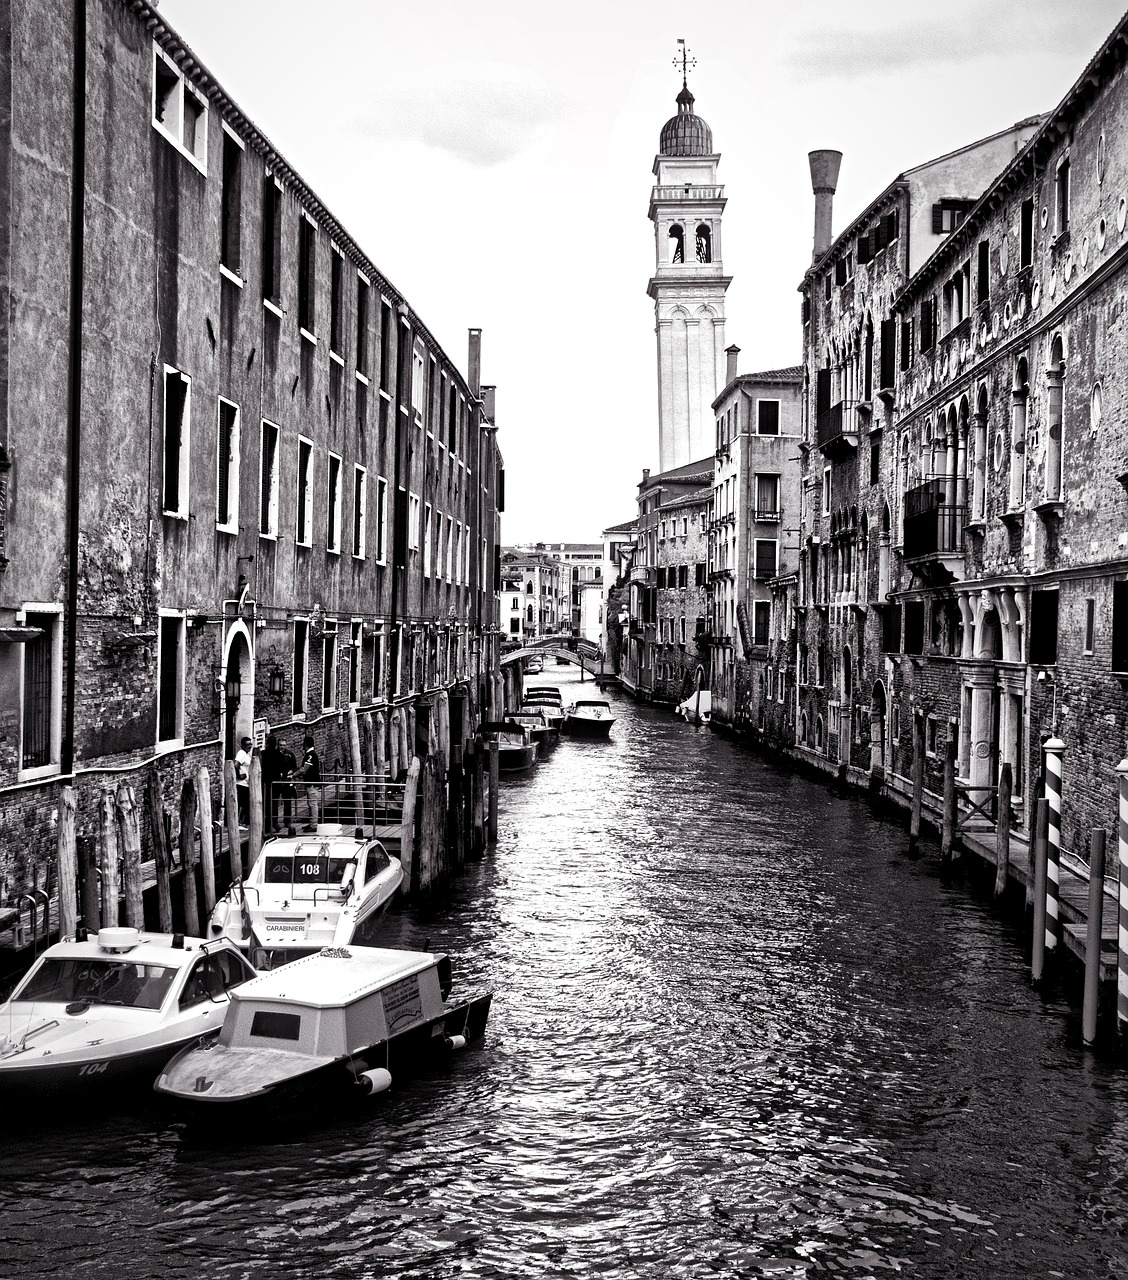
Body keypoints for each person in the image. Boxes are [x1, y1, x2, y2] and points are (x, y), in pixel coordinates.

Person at [261, 734, 292, 833]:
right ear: (276, 744)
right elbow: (285, 769)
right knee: (274, 803)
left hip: (265, 783)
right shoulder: (279, 755)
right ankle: (274, 822)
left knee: (266, 804)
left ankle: (267, 824)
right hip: (276, 783)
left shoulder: (263, 754)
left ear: (267, 743)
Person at [292, 733, 321, 830]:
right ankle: (312, 822)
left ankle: (314, 825)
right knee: (310, 803)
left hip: (312, 783)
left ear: (306, 745)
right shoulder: (311, 755)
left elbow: (304, 769)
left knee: (312, 804)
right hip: (311, 782)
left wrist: (293, 775)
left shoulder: (311, 755)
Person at [234, 736, 253, 825]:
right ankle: (239, 822)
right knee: (243, 804)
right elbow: (236, 764)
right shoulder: (241, 753)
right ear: (242, 745)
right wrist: (239, 775)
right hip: (242, 784)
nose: (249, 746)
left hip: (246, 784)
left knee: (246, 804)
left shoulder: (246, 754)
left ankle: (243, 822)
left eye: (250, 744)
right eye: (247, 744)